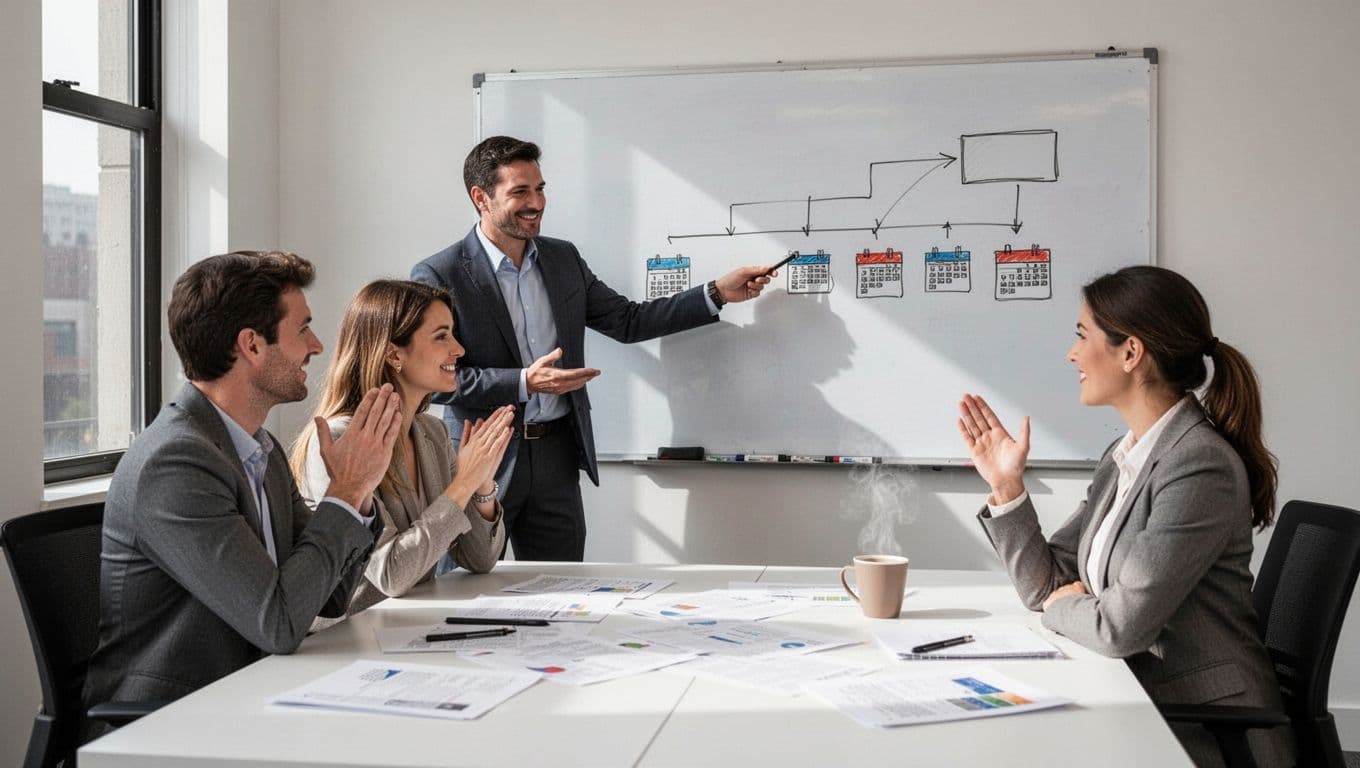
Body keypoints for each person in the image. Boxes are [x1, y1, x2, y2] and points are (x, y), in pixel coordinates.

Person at [956, 265, 1293, 766]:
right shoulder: (1127, 454)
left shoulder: (1199, 466)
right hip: (1142, 697)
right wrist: (1006, 486)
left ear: (1131, 352)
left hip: (1205, 727)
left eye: (1081, 335)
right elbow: (1044, 585)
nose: (1072, 353)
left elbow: (1119, 629)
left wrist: (1059, 608)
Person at [411, 135, 777, 561]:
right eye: (520, 192)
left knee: (561, 591)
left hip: (556, 456)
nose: (537, 202)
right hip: (480, 458)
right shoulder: (440, 273)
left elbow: (628, 320)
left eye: (541, 188)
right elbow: (432, 380)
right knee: (463, 591)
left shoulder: (562, 259)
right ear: (481, 198)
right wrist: (525, 382)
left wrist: (716, 293)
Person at [83, 251, 396, 725]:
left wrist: (362, 490)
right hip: (171, 720)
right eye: (302, 329)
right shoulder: (176, 462)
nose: (315, 346)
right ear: (251, 345)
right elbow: (279, 624)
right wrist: (345, 493)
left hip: (252, 694)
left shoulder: (258, 448)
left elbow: (326, 598)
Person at [292, 279, 513, 615]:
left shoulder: (432, 432)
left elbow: (480, 559)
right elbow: (391, 575)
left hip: (408, 630)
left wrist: (481, 486)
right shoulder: (341, 440)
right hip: (348, 640)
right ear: (394, 354)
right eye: (441, 336)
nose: (459, 349)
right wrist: (463, 482)